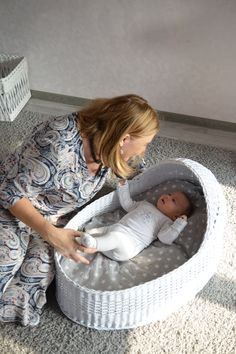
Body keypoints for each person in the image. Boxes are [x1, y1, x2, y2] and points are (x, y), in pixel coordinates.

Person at [0, 94, 159, 326]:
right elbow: (9, 192)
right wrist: (52, 233)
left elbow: (141, 173)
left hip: (52, 213)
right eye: (145, 143)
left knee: (34, 278)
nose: (144, 151)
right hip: (15, 202)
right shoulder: (56, 145)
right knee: (9, 258)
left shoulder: (111, 145)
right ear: (125, 138)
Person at [79, 180, 192, 261]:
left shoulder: (167, 222)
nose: (167, 197)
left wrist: (178, 225)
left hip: (128, 245)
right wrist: (123, 188)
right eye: (169, 194)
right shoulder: (145, 204)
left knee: (116, 237)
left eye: (173, 200)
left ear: (176, 217)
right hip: (115, 230)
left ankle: (95, 244)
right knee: (98, 230)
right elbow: (128, 205)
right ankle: (82, 239)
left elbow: (165, 238)